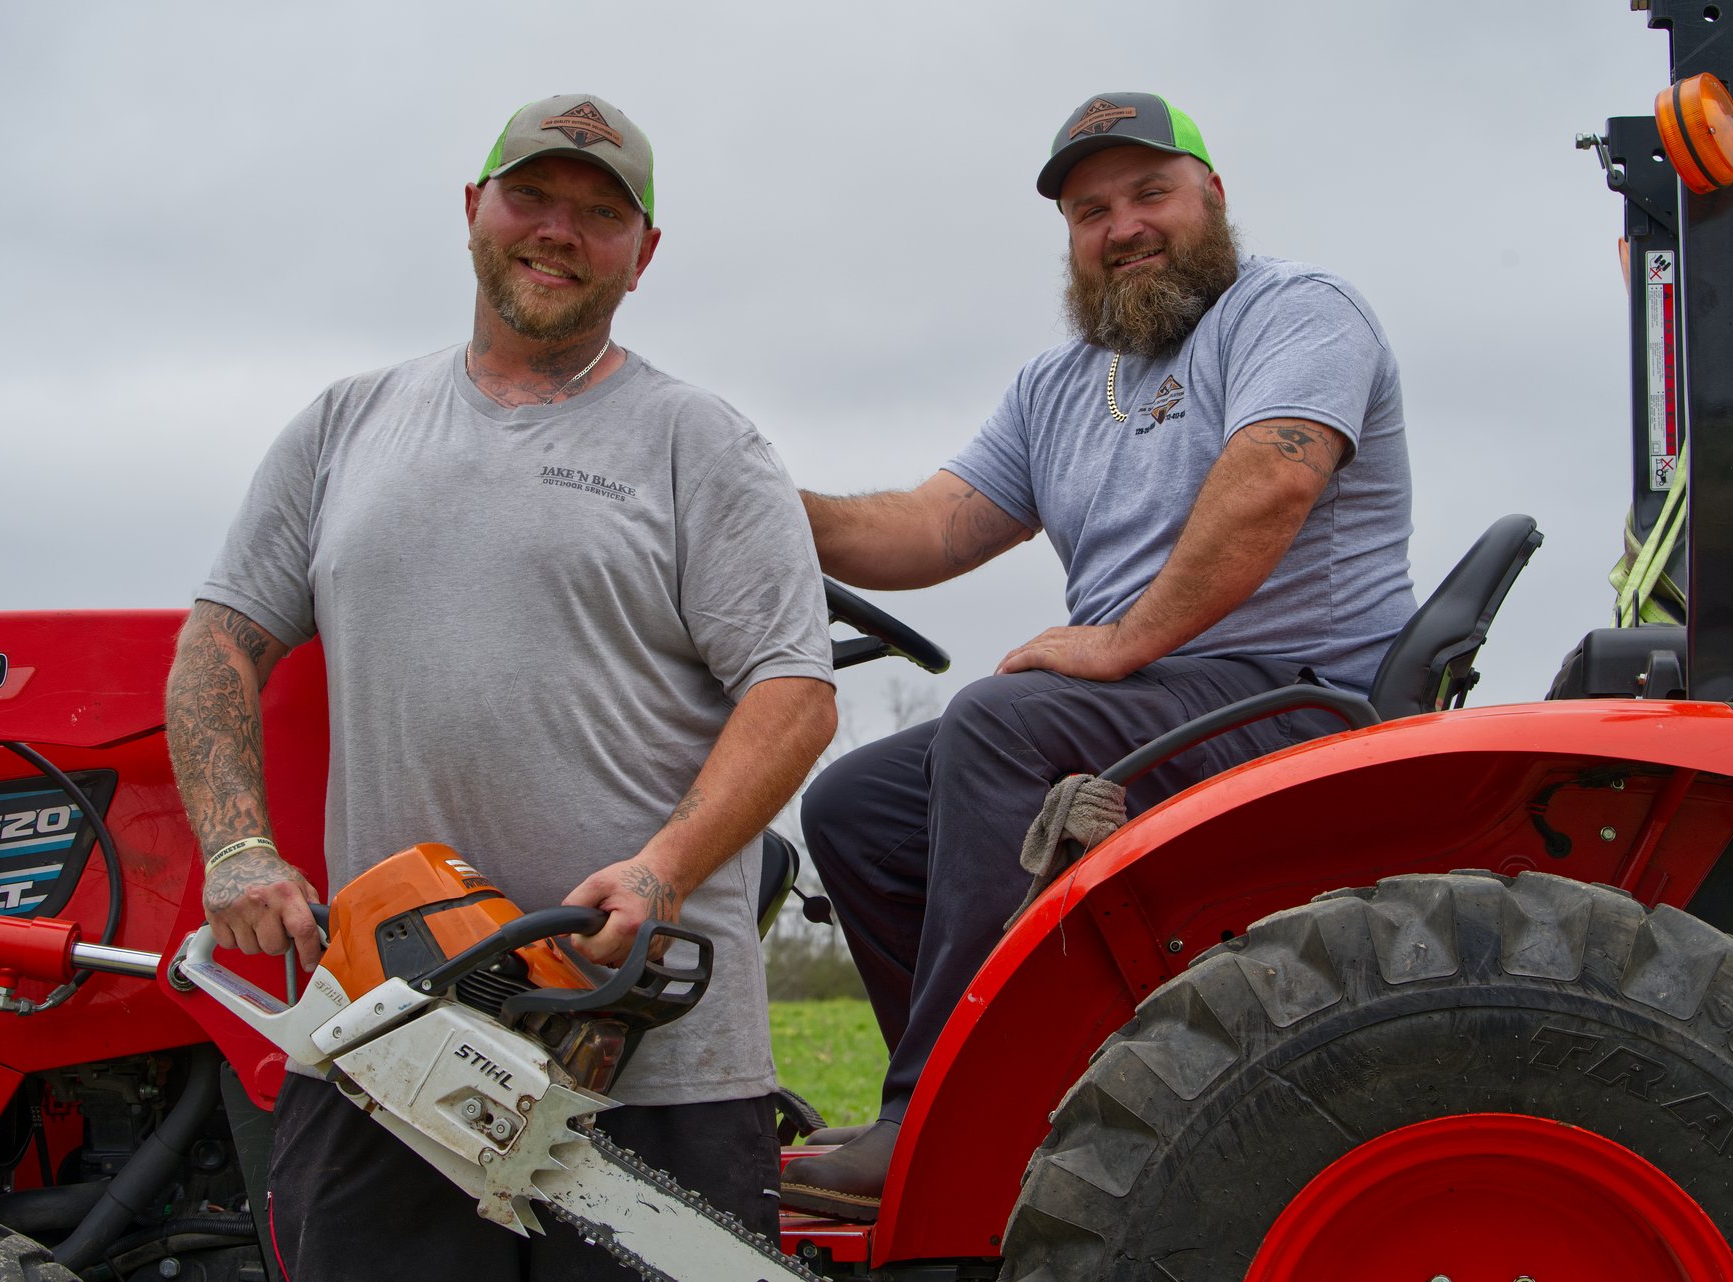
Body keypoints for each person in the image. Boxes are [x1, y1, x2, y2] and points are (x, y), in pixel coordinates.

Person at [163, 94, 838, 1279]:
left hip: (641, 1054)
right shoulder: (343, 427)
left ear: (644, 253)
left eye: (599, 213)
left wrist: (659, 869)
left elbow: (794, 690)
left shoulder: (706, 446)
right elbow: (218, 643)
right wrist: (234, 848)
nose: (558, 232)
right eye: (532, 198)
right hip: (392, 1040)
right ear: (474, 211)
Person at [780, 91, 1415, 1220]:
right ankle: (1013, 1105)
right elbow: (930, 526)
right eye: (1090, 209)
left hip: (1295, 701)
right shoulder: (1060, 384)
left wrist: (1122, 641)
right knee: (856, 803)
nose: (1123, 226)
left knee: (1005, 721)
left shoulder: (1296, 312)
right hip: (1158, 706)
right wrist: (761, 502)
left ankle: (947, 1125)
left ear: (1210, 196)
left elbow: (1276, 471)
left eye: (1148, 194)